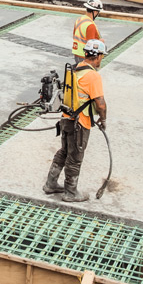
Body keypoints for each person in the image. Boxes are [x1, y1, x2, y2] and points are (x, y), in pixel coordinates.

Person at [43, 39, 108, 202]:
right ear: (98, 56)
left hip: (66, 119)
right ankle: (70, 192)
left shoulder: (75, 69)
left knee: (64, 151)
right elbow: (100, 103)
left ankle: (51, 183)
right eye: (102, 56)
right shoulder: (93, 75)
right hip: (80, 123)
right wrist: (103, 118)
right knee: (75, 157)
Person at [72, 0, 103, 65]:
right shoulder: (90, 25)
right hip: (85, 56)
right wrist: (101, 42)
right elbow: (91, 45)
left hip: (76, 53)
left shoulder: (79, 19)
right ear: (95, 12)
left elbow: (74, 35)